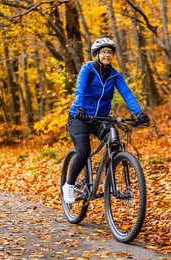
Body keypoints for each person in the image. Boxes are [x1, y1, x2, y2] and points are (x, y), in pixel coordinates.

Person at [63, 37, 149, 204]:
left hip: (99, 119)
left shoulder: (115, 75)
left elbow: (127, 94)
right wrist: (79, 107)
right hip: (79, 117)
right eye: (103, 52)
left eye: (109, 52)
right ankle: (69, 185)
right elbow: (79, 89)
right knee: (83, 150)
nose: (107, 55)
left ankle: (109, 179)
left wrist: (138, 113)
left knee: (115, 140)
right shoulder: (88, 69)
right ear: (97, 54)